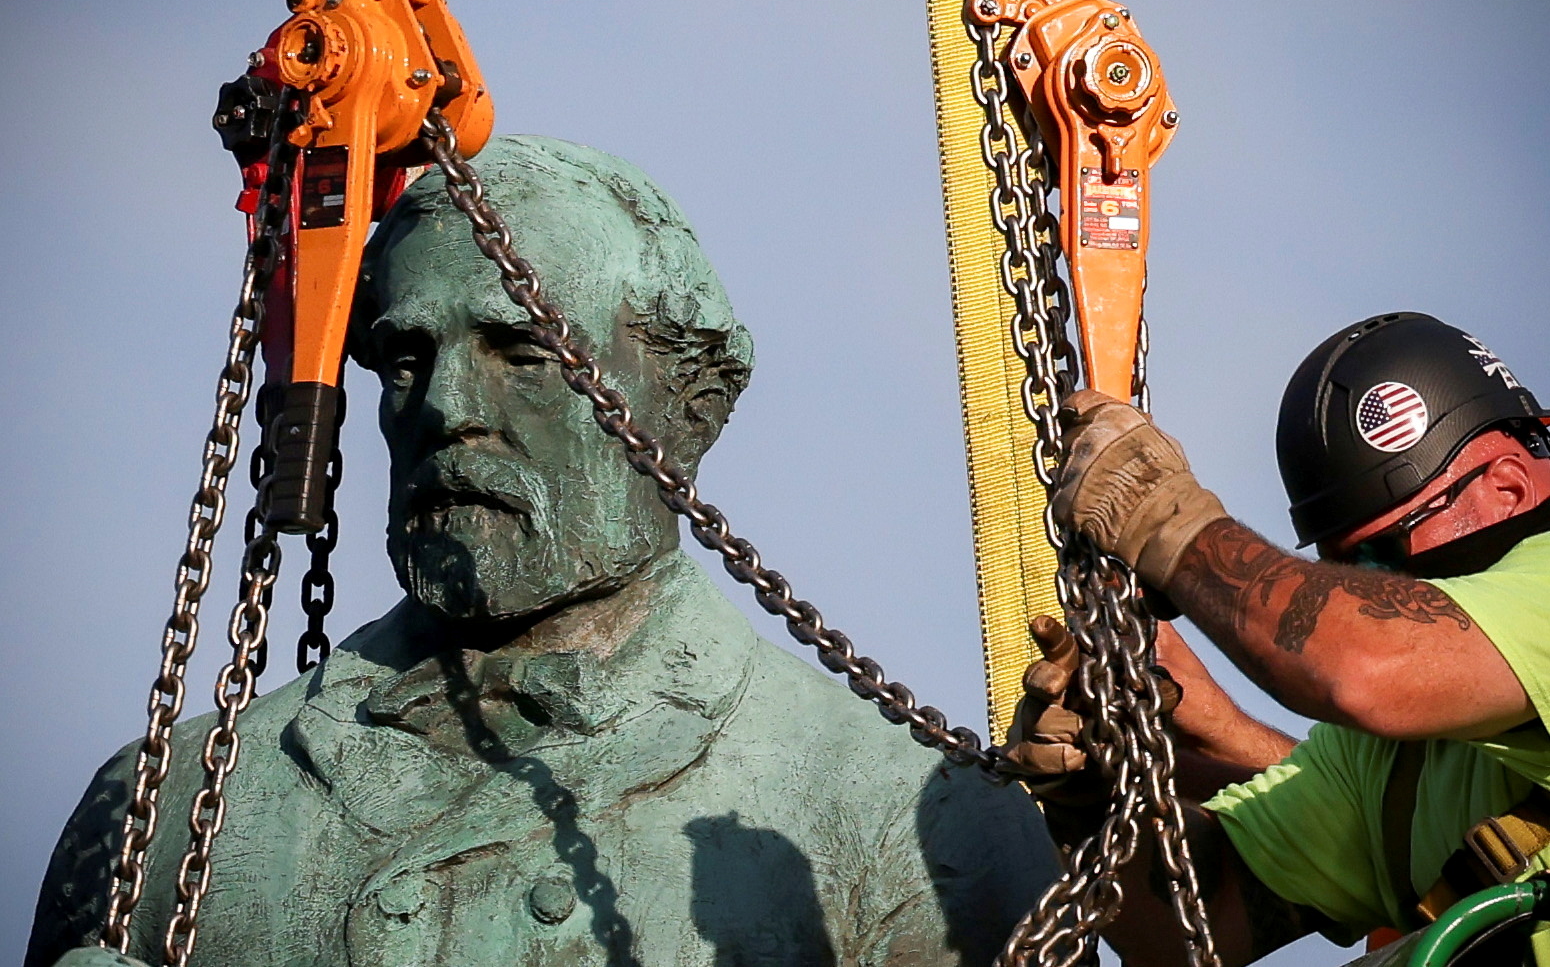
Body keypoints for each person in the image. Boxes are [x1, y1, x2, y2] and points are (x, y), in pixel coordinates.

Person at [28, 135, 1055, 967]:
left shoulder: (906, 826)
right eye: (403, 358)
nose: (445, 408)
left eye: (522, 352)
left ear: (687, 408)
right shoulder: (156, 812)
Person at [1005, 312, 1550, 966]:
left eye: (1379, 556)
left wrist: (1166, 522)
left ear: (1509, 487)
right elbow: (1194, 925)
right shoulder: (1391, 763)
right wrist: (1092, 797)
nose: (1358, 591)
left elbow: (1364, 666)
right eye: (1342, 571)